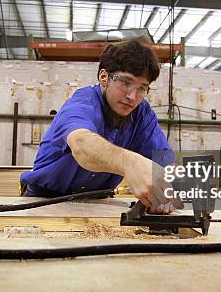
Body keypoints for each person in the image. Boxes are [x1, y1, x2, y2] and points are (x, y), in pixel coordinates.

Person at [20, 40, 181, 214]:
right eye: (126, 82)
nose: (132, 96)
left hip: (99, 199)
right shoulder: (83, 103)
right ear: (104, 77)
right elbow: (82, 144)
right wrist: (130, 163)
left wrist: (165, 190)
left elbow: (166, 162)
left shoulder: (143, 114)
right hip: (44, 199)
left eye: (142, 88)